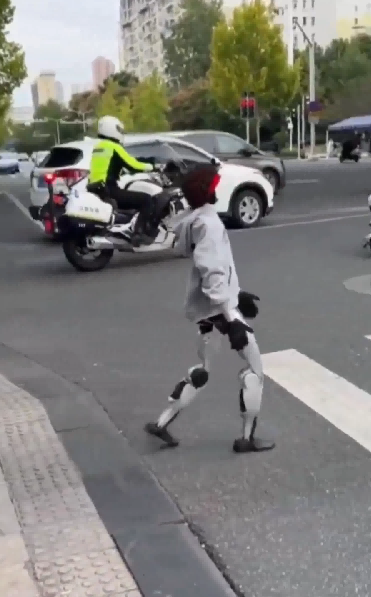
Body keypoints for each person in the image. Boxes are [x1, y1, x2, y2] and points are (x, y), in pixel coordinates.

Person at [145, 163, 275, 454]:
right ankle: (246, 438)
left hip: (208, 313)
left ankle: (162, 423)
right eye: (214, 184)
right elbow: (213, 271)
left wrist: (236, 294)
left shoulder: (194, 221)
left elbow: (215, 271)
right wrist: (233, 317)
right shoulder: (210, 224)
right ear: (207, 190)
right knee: (254, 371)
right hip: (221, 313)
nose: (218, 188)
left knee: (203, 371)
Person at [88, 115, 159, 243]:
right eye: (119, 130)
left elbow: (110, 166)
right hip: (109, 189)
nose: (121, 133)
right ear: (112, 129)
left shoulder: (98, 147)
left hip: (96, 188)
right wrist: (152, 166)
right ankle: (139, 233)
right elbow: (132, 164)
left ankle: (127, 226)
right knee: (146, 200)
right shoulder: (114, 147)